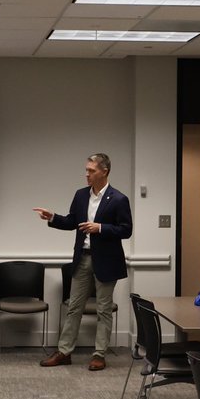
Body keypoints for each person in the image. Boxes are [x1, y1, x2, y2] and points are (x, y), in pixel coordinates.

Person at [34, 153, 133, 371]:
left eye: (91, 170)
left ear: (104, 171)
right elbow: (72, 222)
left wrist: (101, 228)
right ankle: (64, 351)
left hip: (106, 261)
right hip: (82, 259)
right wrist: (52, 217)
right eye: (86, 170)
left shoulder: (118, 199)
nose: (86, 174)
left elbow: (126, 230)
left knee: (103, 309)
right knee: (74, 306)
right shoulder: (80, 195)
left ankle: (99, 354)